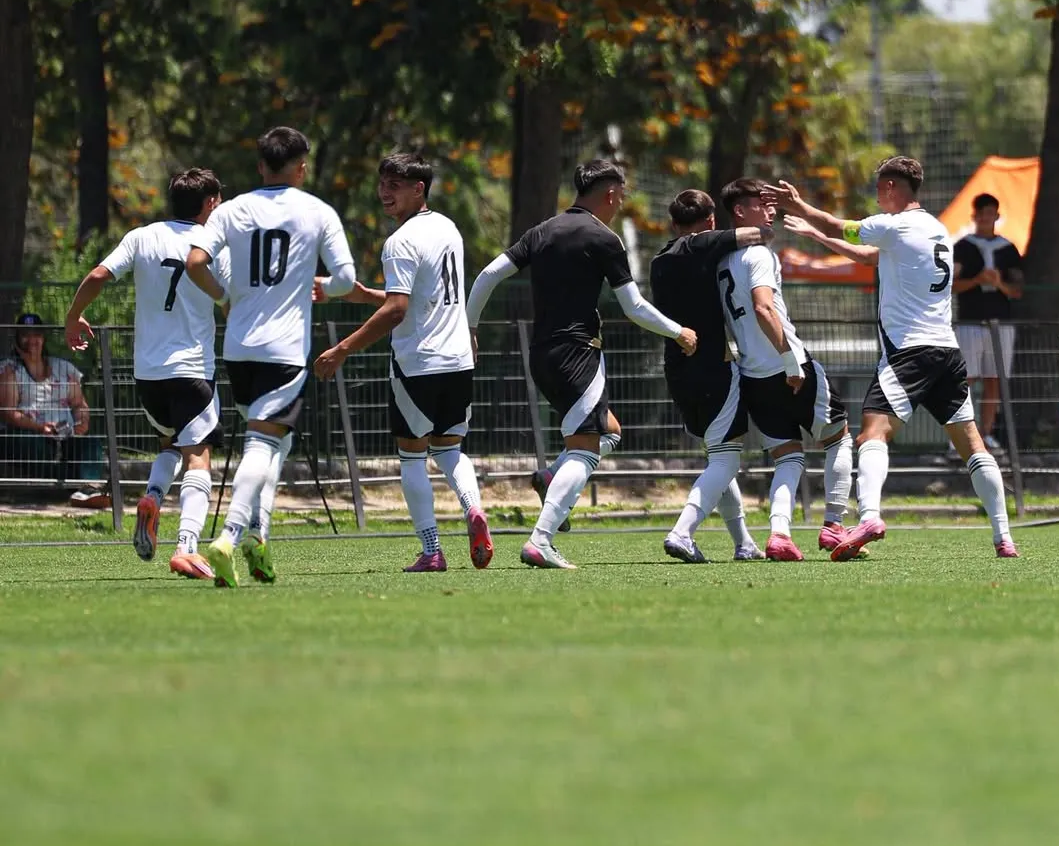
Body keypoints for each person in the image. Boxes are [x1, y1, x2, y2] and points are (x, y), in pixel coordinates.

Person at [766, 157, 1018, 559]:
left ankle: (868, 516)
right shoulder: (937, 229)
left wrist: (798, 206)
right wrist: (815, 234)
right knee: (973, 446)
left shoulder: (895, 225)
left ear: (890, 187)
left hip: (908, 353)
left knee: (871, 435)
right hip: (947, 352)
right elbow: (870, 258)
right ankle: (1004, 537)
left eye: (878, 189)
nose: (877, 198)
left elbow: (841, 226)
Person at [466, 159, 697, 569]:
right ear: (610, 193)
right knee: (586, 449)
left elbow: (486, 275)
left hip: (541, 353)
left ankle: (552, 477)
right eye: (621, 196)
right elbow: (634, 307)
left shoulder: (541, 231)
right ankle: (541, 540)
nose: (621, 203)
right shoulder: (604, 237)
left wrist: (470, 328)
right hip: (578, 353)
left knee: (610, 430)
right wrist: (678, 331)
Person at [186, 126, 357, 587]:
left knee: (275, 444)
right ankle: (230, 536)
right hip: (285, 350)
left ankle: (259, 538)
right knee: (262, 444)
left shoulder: (232, 210)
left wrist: (225, 296)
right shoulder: (318, 211)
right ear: (302, 167)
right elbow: (345, 278)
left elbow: (195, 263)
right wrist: (323, 288)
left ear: (261, 165)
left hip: (239, 347)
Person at [313, 153, 492, 573]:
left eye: (395, 185)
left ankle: (432, 550)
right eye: (382, 184)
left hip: (418, 364)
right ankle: (473, 509)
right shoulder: (447, 228)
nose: (384, 192)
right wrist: (365, 295)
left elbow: (398, 310)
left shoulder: (400, 241)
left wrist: (342, 349)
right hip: (458, 361)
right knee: (450, 448)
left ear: (419, 188)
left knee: (412, 457)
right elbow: (421, 300)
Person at [64, 168, 230, 579]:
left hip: (148, 373)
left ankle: (153, 497)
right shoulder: (212, 244)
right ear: (209, 203)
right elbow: (231, 302)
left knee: (170, 444)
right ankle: (187, 547)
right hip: (192, 369)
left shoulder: (141, 236)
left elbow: (98, 275)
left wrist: (74, 316)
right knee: (198, 457)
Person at [715, 179, 854, 562]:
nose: (771, 210)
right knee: (839, 440)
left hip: (753, 376)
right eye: (761, 204)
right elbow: (763, 307)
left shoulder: (721, 261)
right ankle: (834, 525)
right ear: (740, 211)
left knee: (788, 457)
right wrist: (791, 360)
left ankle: (779, 534)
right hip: (789, 367)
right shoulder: (758, 254)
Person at [649, 188, 771, 563]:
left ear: (673, 224)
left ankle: (744, 543)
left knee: (718, 456)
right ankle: (682, 533)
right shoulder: (703, 244)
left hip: (677, 370)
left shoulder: (659, 261)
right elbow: (757, 235)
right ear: (711, 221)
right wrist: (767, 223)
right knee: (727, 460)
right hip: (712, 369)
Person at [952, 193, 1024, 450]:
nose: (986, 218)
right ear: (975, 216)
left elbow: (1017, 290)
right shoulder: (963, 247)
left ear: (997, 216)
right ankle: (959, 437)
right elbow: (952, 285)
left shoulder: (1008, 249)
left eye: (990, 213)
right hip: (970, 322)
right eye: (982, 213)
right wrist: (977, 280)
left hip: (1001, 323)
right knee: (967, 379)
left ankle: (986, 433)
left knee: (994, 379)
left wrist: (998, 283)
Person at [0, 312, 102, 486]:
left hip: (66, 433)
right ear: (17, 339)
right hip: (29, 434)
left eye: (36, 334)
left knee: (91, 444)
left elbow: (79, 404)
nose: (32, 340)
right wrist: (41, 428)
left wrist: (82, 422)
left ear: (43, 338)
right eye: (25, 335)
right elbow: (8, 413)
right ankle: (73, 483)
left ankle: (90, 488)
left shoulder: (63, 367)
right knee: (33, 448)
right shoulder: (9, 370)